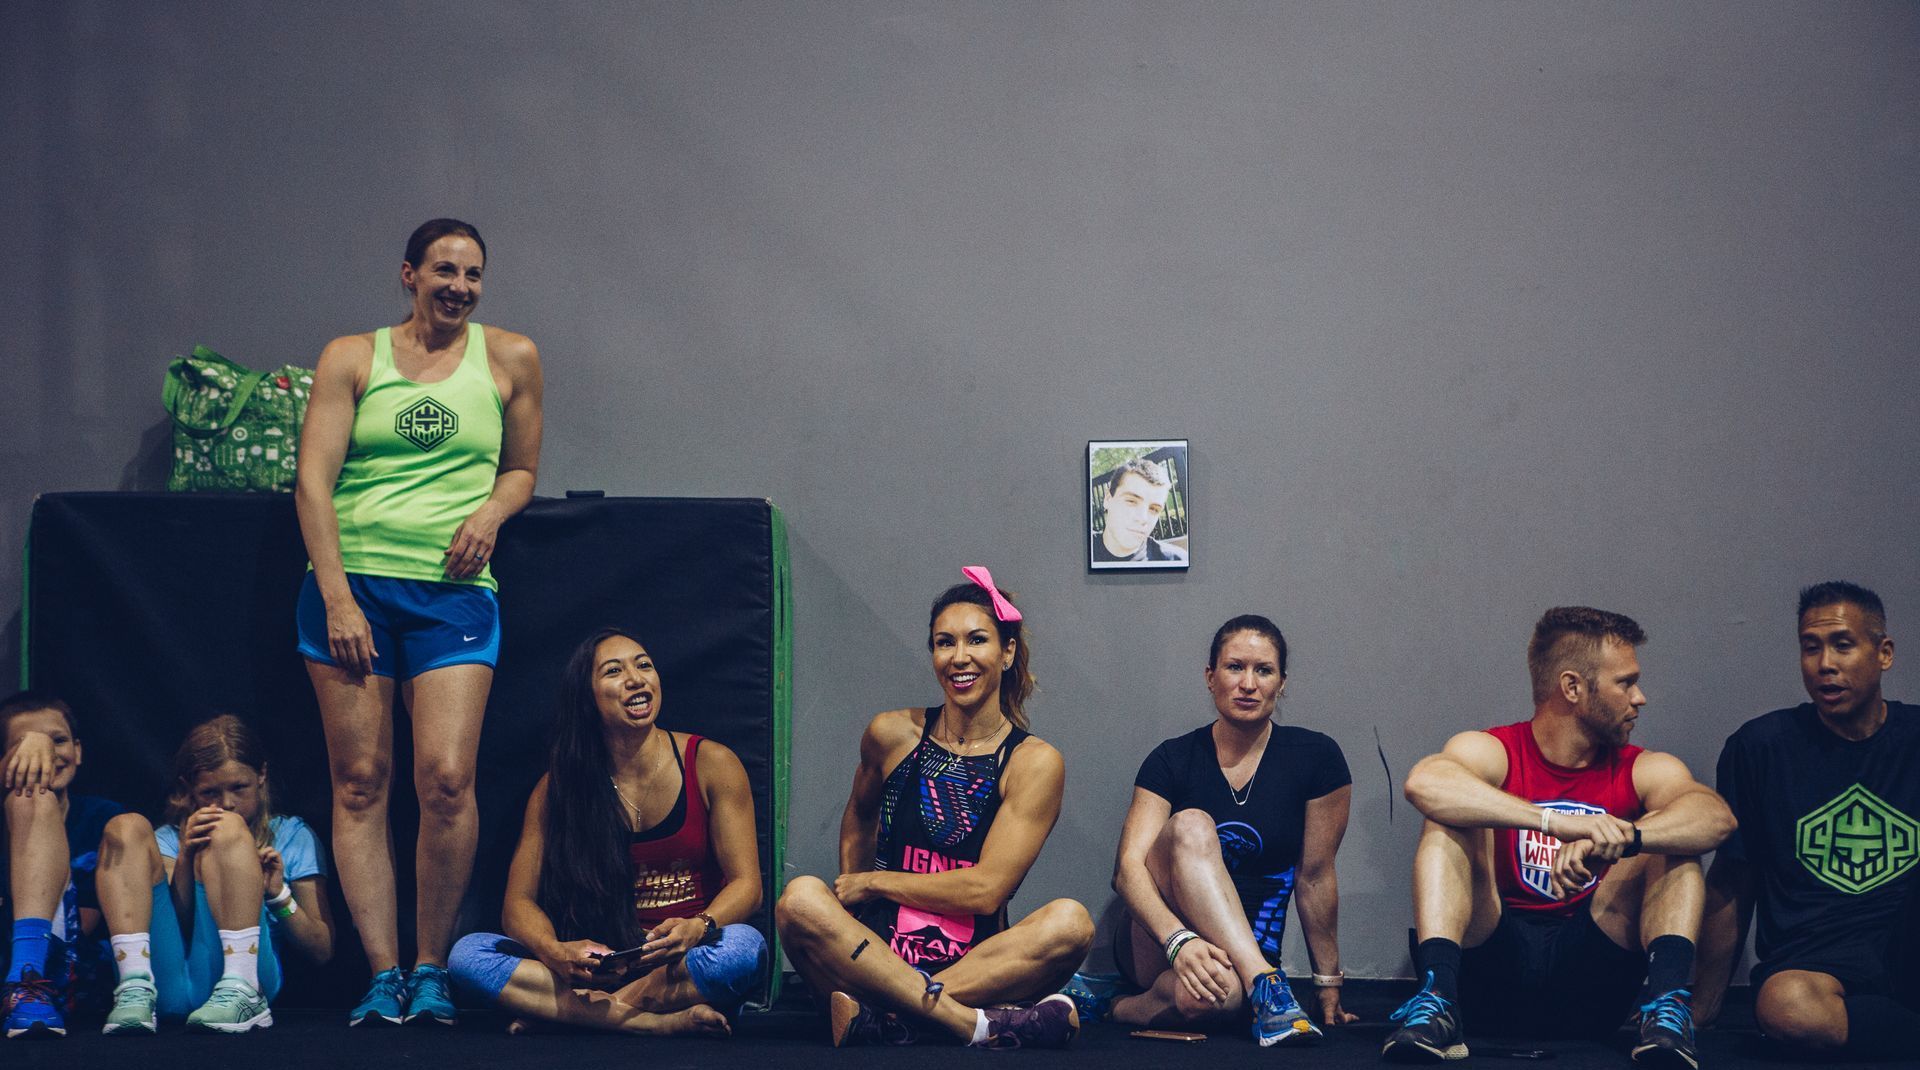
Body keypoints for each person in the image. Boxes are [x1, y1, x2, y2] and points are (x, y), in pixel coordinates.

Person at [294, 217, 543, 1025]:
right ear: (409, 274)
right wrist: (336, 597)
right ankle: (382, 972)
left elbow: (523, 469)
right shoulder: (351, 357)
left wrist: (493, 513)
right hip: (353, 585)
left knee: (445, 779)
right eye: (443, 271)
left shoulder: (510, 358)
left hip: (455, 594)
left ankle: (431, 966)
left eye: (473, 275)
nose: (459, 288)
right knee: (361, 782)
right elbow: (312, 483)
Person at [1382, 607, 1735, 1067]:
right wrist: (1554, 823)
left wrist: (1628, 836)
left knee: (1675, 841)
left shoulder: (1641, 766)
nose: (1640, 697)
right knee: (1447, 819)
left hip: (1590, 986)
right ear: (1572, 687)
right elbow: (1424, 784)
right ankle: (1437, 1002)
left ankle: (1668, 1013)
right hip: (1490, 976)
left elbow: (1716, 818)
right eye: (1625, 682)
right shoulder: (1496, 749)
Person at [775, 568, 1094, 1049]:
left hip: (974, 965)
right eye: (945, 643)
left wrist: (874, 881)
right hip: (874, 953)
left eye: (977, 640)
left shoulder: (1034, 763)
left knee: (1072, 922)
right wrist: (855, 909)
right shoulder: (890, 733)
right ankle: (974, 1024)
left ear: (1006, 652)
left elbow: (985, 891)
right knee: (799, 898)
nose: (959, 657)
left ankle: (884, 1015)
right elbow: (859, 815)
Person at [447, 628, 766, 1036]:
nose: (636, 678)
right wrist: (555, 951)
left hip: (679, 962)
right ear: (587, 698)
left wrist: (698, 926)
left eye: (644, 665)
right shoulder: (557, 787)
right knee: (467, 956)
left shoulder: (712, 763)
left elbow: (748, 886)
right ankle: (654, 1025)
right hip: (594, 968)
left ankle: (575, 1015)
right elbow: (518, 905)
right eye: (614, 671)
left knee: (742, 949)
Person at [1071, 614, 1355, 1045]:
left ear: (1282, 683)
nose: (1248, 683)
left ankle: (1111, 1003)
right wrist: (1179, 942)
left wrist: (1327, 983)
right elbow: (1128, 871)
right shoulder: (1172, 759)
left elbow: (1315, 877)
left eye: (1264, 670)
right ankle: (1265, 984)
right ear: (1210, 676)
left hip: (1246, 949)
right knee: (1191, 824)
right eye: (1235, 667)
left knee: (1212, 1000)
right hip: (1160, 939)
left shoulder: (1317, 758)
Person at [1695, 582, 1920, 1059]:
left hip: (1906, 948)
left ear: (1884, 653)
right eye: (1810, 647)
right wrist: (1704, 999)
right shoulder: (1760, 748)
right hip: (1814, 960)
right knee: (1786, 1007)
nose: (1825, 665)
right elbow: (1735, 877)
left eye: (1843, 644)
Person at [91, 715, 336, 1034]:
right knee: (124, 827)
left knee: (226, 828)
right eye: (210, 793)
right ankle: (133, 986)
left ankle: (242, 987)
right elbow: (175, 925)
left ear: (261, 774)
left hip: (250, 978)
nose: (226, 803)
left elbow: (321, 951)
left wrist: (278, 895)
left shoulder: (291, 835)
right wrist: (186, 858)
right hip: (169, 981)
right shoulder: (167, 838)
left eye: (238, 788)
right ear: (188, 789)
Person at [0, 692, 123, 1037]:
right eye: (26, 744)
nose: (45, 754)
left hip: (73, 976)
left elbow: (84, 925)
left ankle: (28, 982)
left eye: (57, 740)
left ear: (78, 751)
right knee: (32, 798)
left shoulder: (103, 818)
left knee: (37, 799)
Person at [1092, 459, 1187, 564]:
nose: (1143, 518)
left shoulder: (1176, 562)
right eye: (1131, 501)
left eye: (1154, 509)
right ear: (1108, 499)